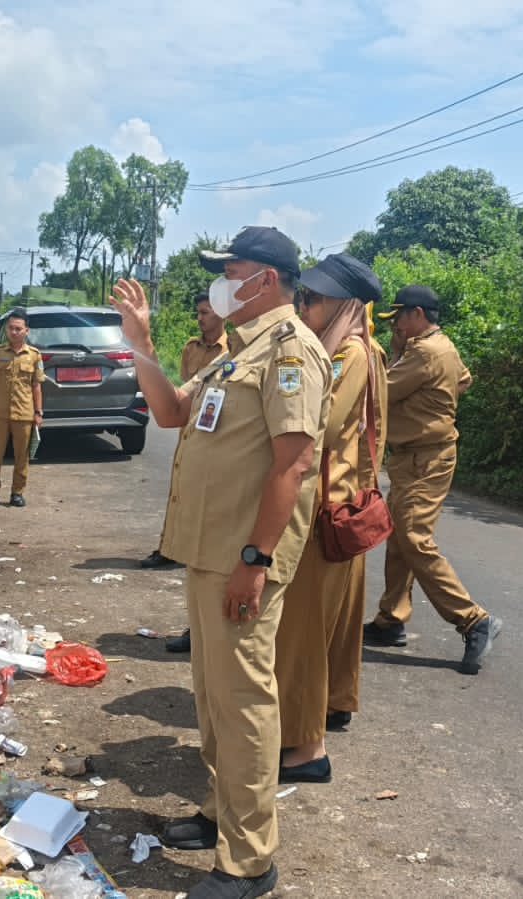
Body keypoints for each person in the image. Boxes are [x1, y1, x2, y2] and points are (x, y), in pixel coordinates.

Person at [110, 225, 329, 899]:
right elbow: (173, 412)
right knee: (213, 695)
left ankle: (250, 859)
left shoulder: (291, 351)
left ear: (263, 278)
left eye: (227, 270)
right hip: (210, 552)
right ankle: (221, 815)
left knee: (243, 702)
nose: (218, 283)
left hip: (242, 555)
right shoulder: (238, 349)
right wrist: (140, 345)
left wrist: (255, 559)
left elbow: (294, 462)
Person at [274, 253, 388, 783]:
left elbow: (320, 421)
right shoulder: (354, 350)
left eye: (314, 300)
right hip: (343, 502)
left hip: (326, 509)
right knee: (332, 626)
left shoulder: (347, 356)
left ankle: (303, 749)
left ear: (343, 305)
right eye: (304, 297)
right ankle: (332, 705)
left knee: (302, 634)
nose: (305, 307)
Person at [363, 285, 503, 674]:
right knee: (400, 535)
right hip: (417, 456)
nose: (398, 327)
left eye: (400, 319)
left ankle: (474, 620)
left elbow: (379, 392)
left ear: (418, 314)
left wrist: (399, 371)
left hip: (426, 458)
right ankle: (391, 618)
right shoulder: (441, 347)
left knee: (413, 539)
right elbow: (464, 379)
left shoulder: (424, 352)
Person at [144, 294, 229, 654]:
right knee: (182, 498)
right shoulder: (194, 349)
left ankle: (205, 633)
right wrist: (141, 343)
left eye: (205, 312)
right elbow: (177, 402)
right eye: (197, 312)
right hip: (193, 431)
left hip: (223, 458)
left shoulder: (238, 354)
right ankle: (170, 547)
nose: (199, 319)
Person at [0, 310, 44, 508]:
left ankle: (17, 492)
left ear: (26, 331)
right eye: (10, 328)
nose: (13, 332)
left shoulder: (34, 356)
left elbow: (36, 386)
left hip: (24, 413)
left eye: (18, 329)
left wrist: (38, 412)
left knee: (21, 456)